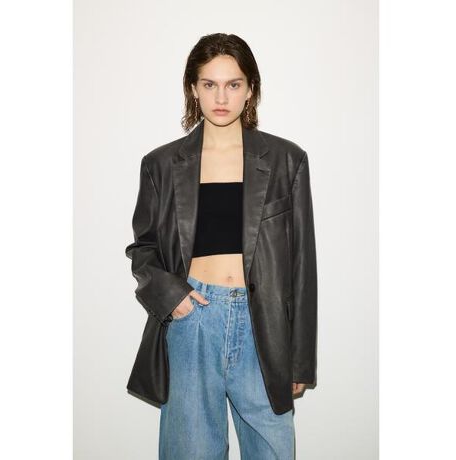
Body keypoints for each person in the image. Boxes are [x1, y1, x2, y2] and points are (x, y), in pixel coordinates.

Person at [125, 33, 317, 460]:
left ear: (251, 90)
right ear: (193, 89)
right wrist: (172, 297)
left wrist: (301, 359)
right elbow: (143, 248)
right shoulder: (161, 164)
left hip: (264, 325)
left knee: (272, 450)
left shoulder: (287, 160)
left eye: (233, 84)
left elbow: (303, 264)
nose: (221, 97)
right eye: (209, 84)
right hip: (193, 320)